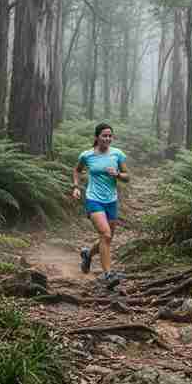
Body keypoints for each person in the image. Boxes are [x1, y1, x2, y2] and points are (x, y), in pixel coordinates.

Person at [72, 122, 129, 286]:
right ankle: (108, 274)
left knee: (108, 238)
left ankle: (88, 254)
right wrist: (76, 187)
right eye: (104, 135)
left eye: (110, 136)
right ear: (97, 137)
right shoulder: (87, 155)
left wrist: (118, 174)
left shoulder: (117, 154)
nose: (108, 138)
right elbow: (77, 170)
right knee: (105, 235)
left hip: (111, 200)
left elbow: (127, 176)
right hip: (93, 199)